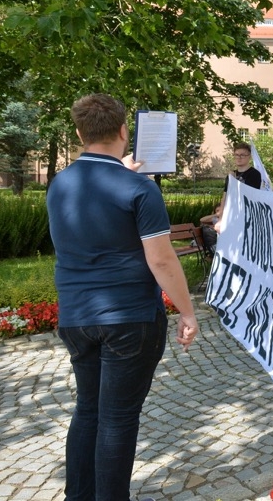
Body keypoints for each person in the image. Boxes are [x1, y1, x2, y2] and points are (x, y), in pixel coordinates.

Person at [47, 93, 199, 501]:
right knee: (116, 418)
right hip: (128, 317)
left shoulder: (60, 183)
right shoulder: (139, 188)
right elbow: (162, 260)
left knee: (88, 411)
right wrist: (188, 311)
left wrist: (125, 175)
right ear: (123, 131)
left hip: (76, 315)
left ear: (80, 133)